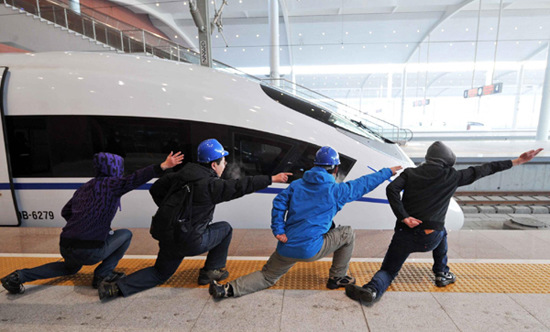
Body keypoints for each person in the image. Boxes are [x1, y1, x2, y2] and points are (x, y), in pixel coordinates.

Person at [345, 141, 543, 306]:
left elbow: (391, 189)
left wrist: (404, 216)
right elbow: (486, 169)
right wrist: (517, 161)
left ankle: (371, 291)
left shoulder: (410, 174)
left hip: (405, 235)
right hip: (431, 237)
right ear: (447, 161)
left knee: (388, 270)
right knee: (442, 232)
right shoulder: (453, 176)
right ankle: (442, 273)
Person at [98, 138, 291, 300]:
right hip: (191, 240)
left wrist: (174, 212)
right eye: (223, 161)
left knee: (159, 273)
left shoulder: (179, 175)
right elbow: (241, 185)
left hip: (168, 235)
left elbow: (155, 190)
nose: (225, 166)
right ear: (214, 164)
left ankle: (114, 289)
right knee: (225, 229)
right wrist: (271, 179)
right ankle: (211, 272)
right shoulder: (211, 185)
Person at [209, 146, 402, 299]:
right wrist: (386, 172)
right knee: (347, 233)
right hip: (311, 249)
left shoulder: (296, 185)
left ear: (315, 166)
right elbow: (363, 184)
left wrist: (278, 229)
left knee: (267, 276)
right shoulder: (336, 191)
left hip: (286, 244)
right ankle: (337, 277)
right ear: (335, 169)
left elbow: (278, 203)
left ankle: (227, 290)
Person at [1, 151, 183, 294]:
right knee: (126, 234)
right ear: (115, 168)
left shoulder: (85, 187)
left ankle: (18, 276)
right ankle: (103, 275)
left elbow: (66, 212)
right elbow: (135, 178)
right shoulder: (113, 184)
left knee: (68, 267)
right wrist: (163, 166)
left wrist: (84, 225)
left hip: (66, 245)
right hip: (89, 250)